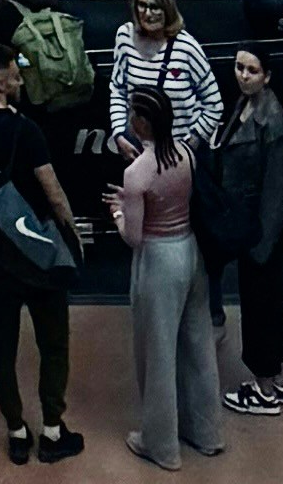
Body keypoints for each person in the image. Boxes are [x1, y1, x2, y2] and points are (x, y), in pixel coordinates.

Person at [0, 34, 81, 461]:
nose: (20, 78)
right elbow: (53, 191)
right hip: (39, 253)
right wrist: (72, 234)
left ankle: (16, 430)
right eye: (14, 71)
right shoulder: (25, 131)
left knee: (3, 350)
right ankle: (51, 428)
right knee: (54, 345)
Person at [113, 80, 215, 467]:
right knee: (197, 346)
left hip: (158, 261)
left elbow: (134, 237)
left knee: (158, 353)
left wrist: (119, 212)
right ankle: (205, 432)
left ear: (140, 123)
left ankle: (161, 444)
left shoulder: (137, 173)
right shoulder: (186, 153)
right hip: (190, 251)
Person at [195, 48, 283, 418]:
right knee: (269, 305)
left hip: (261, 231)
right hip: (252, 226)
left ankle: (264, 390)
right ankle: (280, 380)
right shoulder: (247, 105)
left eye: (252, 70)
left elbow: (278, 191)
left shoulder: (275, 125)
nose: (243, 75)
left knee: (261, 308)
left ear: (267, 75)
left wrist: (260, 244)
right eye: (239, 68)